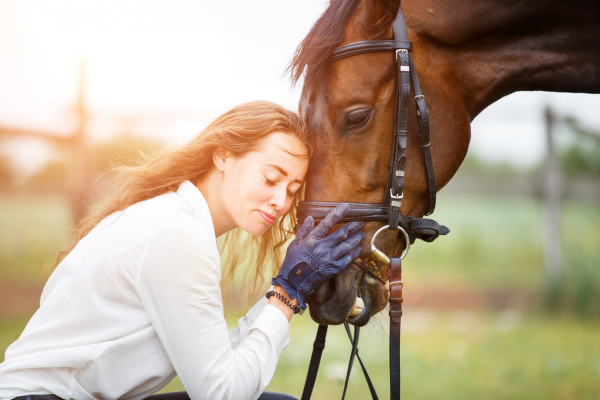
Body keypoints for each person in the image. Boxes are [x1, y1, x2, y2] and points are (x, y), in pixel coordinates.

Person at [0, 101, 364, 400]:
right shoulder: (178, 235)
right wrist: (288, 291)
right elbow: (222, 393)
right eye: (271, 179)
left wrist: (290, 290)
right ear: (223, 156)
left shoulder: (178, 221)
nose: (280, 201)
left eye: (291, 189)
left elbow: (213, 359)